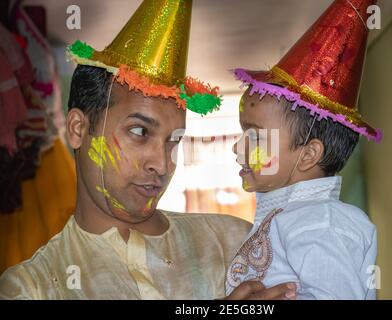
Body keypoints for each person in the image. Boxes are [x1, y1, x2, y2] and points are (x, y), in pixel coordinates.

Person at [0, 0, 296, 300]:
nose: (163, 164)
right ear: (78, 128)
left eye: (174, 141)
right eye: (140, 132)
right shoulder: (31, 287)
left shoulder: (237, 241)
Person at [226, 0, 381, 299]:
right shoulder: (291, 217)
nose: (237, 147)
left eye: (255, 137)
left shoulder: (323, 222)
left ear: (308, 155)